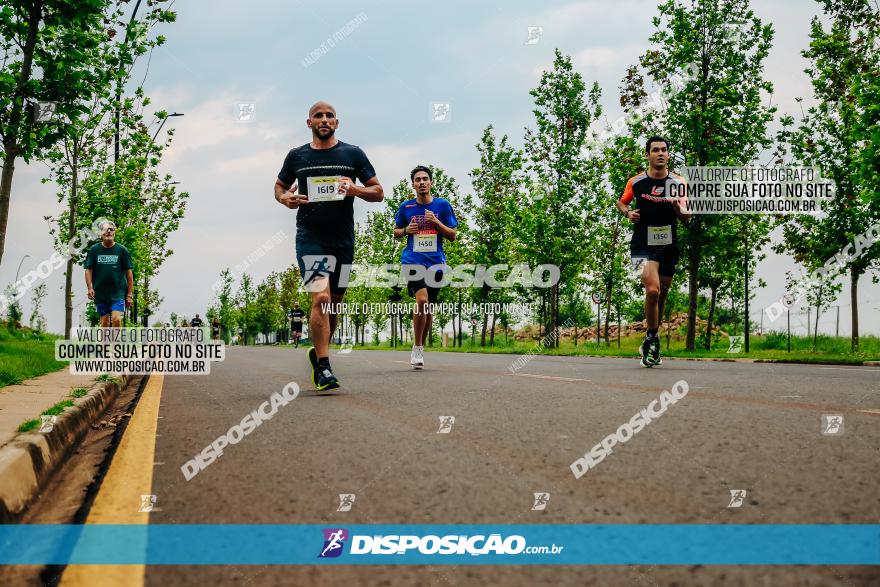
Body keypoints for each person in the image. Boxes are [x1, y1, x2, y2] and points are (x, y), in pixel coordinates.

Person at [274, 101, 383, 390]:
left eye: (329, 116)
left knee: (334, 304)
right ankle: (323, 366)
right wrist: (285, 199)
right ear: (308, 123)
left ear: (337, 122)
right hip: (310, 237)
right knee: (320, 299)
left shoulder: (353, 154)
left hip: (343, 240)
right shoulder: (296, 156)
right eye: (318, 116)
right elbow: (279, 187)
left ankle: (318, 352)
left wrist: (356, 188)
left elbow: (378, 192)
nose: (324, 120)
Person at [616, 136, 690, 367]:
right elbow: (621, 202)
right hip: (639, 245)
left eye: (664, 150)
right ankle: (652, 339)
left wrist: (676, 205)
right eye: (655, 150)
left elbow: (687, 218)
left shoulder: (679, 182)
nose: (660, 153)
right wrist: (627, 213)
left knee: (662, 295)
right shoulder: (636, 182)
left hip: (668, 245)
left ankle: (651, 338)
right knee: (653, 289)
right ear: (647, 155)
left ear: (668, 155)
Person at [393, 166, 457, 369]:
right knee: (421, 300)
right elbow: (395, 232)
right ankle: (417, 347)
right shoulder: (406, 207)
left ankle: (420, 346)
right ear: (413, 184)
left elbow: (452, 235)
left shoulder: (443, 205)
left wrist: (436, 222)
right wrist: (405, 230)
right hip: (412, 259)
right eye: (417, 179)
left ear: (431, 183)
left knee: (429, 308)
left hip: (436, 262)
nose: (421, 182)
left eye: (425, 179)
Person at [84, 220, 133, 328]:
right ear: (100, 233)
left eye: (111, 229)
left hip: (118, 292)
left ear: (114, 232)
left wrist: (129, 294)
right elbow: (88, 270)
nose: (109, 231)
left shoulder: (122, 250)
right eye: (106, 229)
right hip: (100, 293)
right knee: (104, 322)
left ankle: (115, 345)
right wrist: (90, 288)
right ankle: (104, 345)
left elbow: (129, 272)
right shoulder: (94, 250)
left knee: (116, 319)